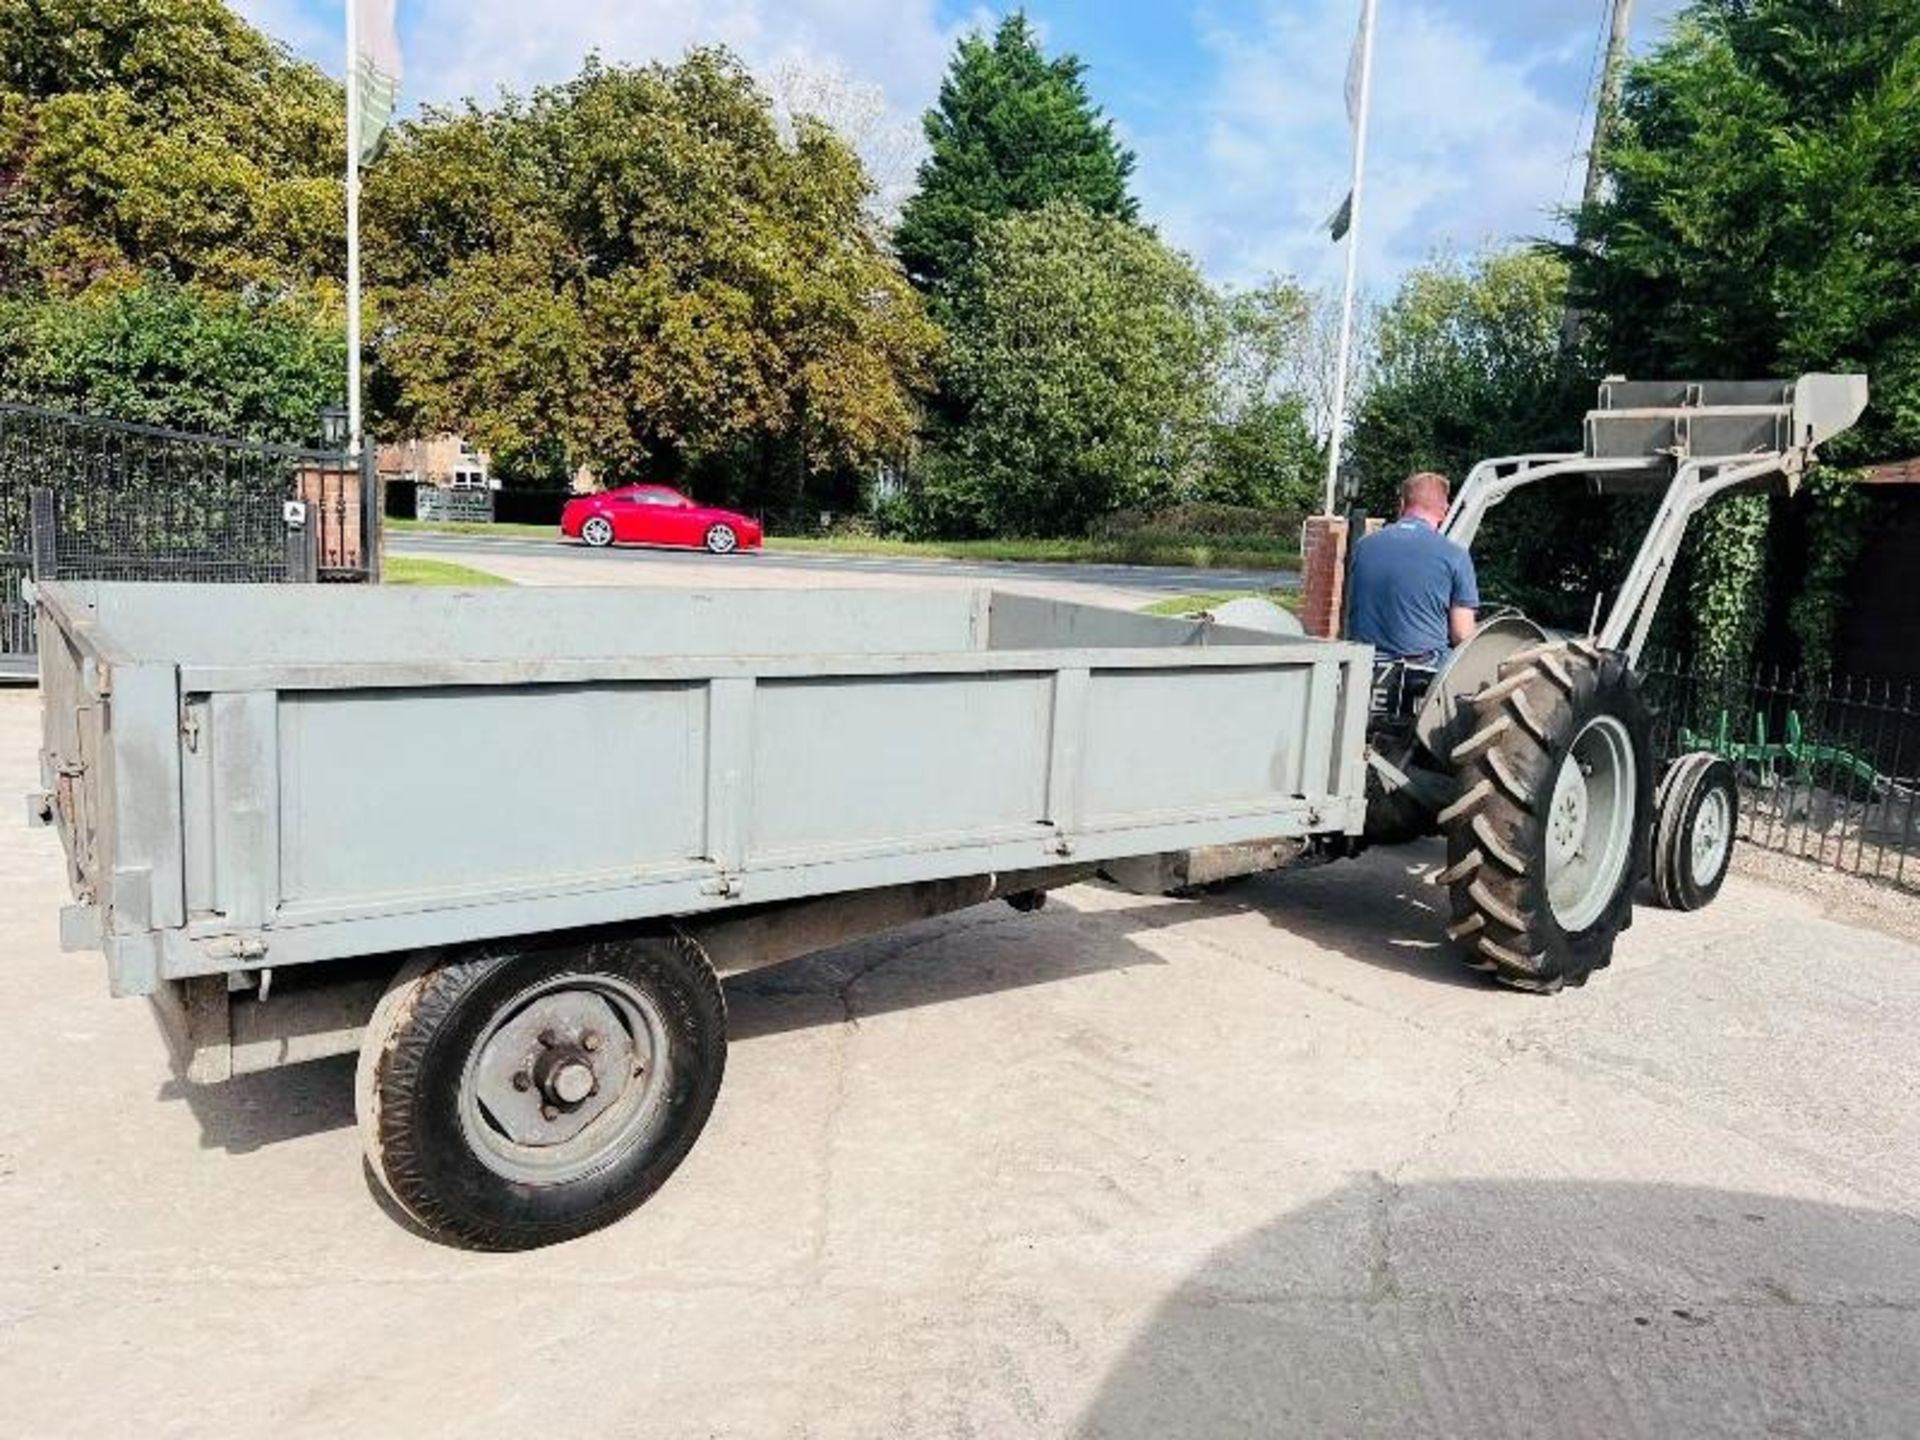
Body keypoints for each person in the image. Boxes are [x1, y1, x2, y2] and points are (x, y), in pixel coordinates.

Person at [1345, 471, 1478, 664]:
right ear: (1444, 510)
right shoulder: (1455, 555)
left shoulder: (1364, 545)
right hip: (1421, 668)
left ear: (1401, 505)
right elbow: (1462, 634)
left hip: (1364, 664)